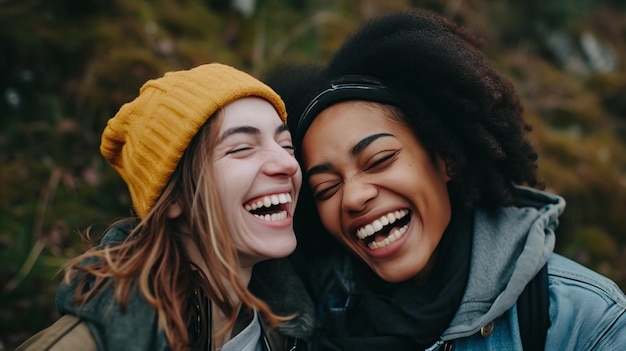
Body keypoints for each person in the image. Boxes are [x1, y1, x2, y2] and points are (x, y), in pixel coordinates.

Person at [265, 9, 626, 351]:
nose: (354, 197)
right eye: (326, 188)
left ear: (445, 158)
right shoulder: (300, 319)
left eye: (379, 160)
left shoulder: (584, 319)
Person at [16, 63, 313, 351]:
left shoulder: (294, 326)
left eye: (286, 146)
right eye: (242, 148)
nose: (288, 163)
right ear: (172, 198)